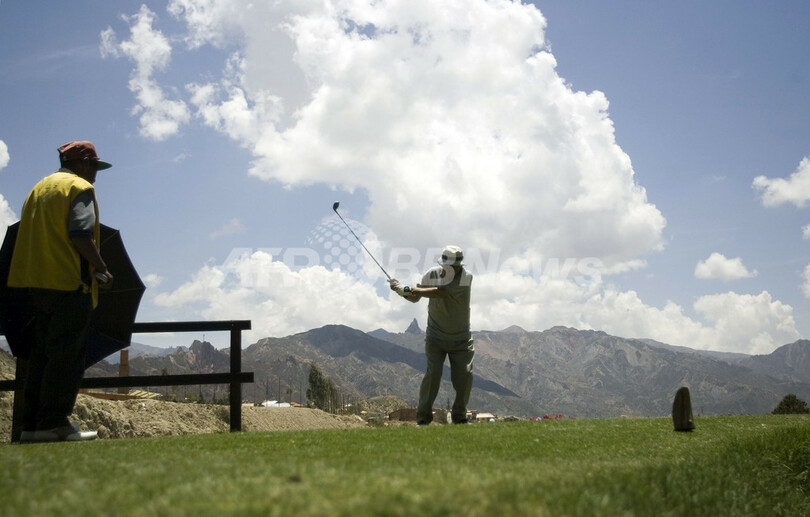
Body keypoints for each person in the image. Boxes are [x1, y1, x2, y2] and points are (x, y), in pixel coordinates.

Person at [8, 141, 114, 443]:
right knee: (66, 357)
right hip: (69, 284)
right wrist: (101, 268)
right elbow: (80, 232)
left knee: (41, 357)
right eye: (94, 167)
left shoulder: (39, 189)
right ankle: (54, 422)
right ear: (83, 164)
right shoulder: (79, 187)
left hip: (35, 284)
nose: (95, 174)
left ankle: (32, 427)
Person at [389, 245, 473, 425]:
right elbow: (415, 298)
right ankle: (423, 418)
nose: (455, 269)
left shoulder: (466, 277)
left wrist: (409, 288)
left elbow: (440, 292)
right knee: (433, 375)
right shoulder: (431, 274)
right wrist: (400, 290)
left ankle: (459, 417)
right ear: (444, 264)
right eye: (451, 266)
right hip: (435, 337)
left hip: (461, 339)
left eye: (457, 266)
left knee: (465, 377)